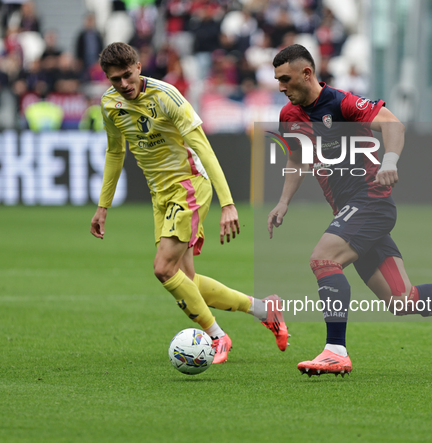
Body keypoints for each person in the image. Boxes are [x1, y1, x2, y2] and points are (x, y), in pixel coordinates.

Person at [267, 44, 432, 377]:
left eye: (285, 79)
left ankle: (335, 351)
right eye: (277, 80)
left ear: (307, 73)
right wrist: (284, 200)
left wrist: (390, 161)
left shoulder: (342, 102)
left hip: (371, 201)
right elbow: (296, 158)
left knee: (323, 259)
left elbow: (393, 124)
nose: (281, 87)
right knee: (402, 300)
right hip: (350, 211)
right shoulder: (289, 116)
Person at [90, 42, 288, 363]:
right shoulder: (110, 104)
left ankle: (217, 336)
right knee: (187, 280)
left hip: (189, 186)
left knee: (163, 269)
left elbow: (204, 148)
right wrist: (103, 206)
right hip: (161, 195)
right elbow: (116, 152)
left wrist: (228, 204)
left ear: (139, 66)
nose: (123, 84)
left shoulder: (167, 97)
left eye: (127, 75)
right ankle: (265, 309)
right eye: (115, 80)